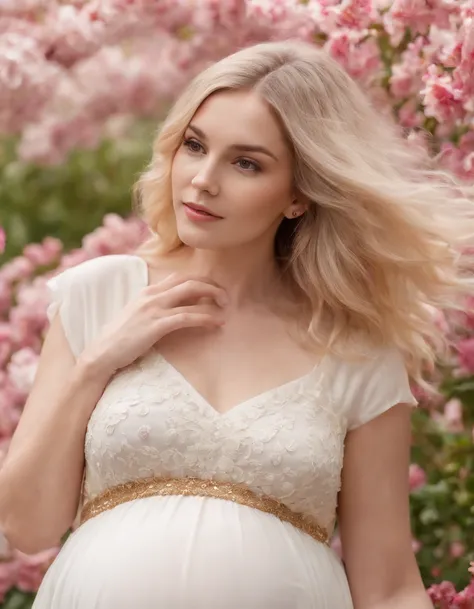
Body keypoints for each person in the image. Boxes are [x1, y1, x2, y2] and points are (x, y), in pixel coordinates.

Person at [0, 40, 472, 609]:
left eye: (246, 163)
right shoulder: (99, 295)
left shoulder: (357, 349)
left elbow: (390, 585)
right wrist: (98, 363)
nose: (202, 180)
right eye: (194, 146)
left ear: (299, 194)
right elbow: (26, 527)